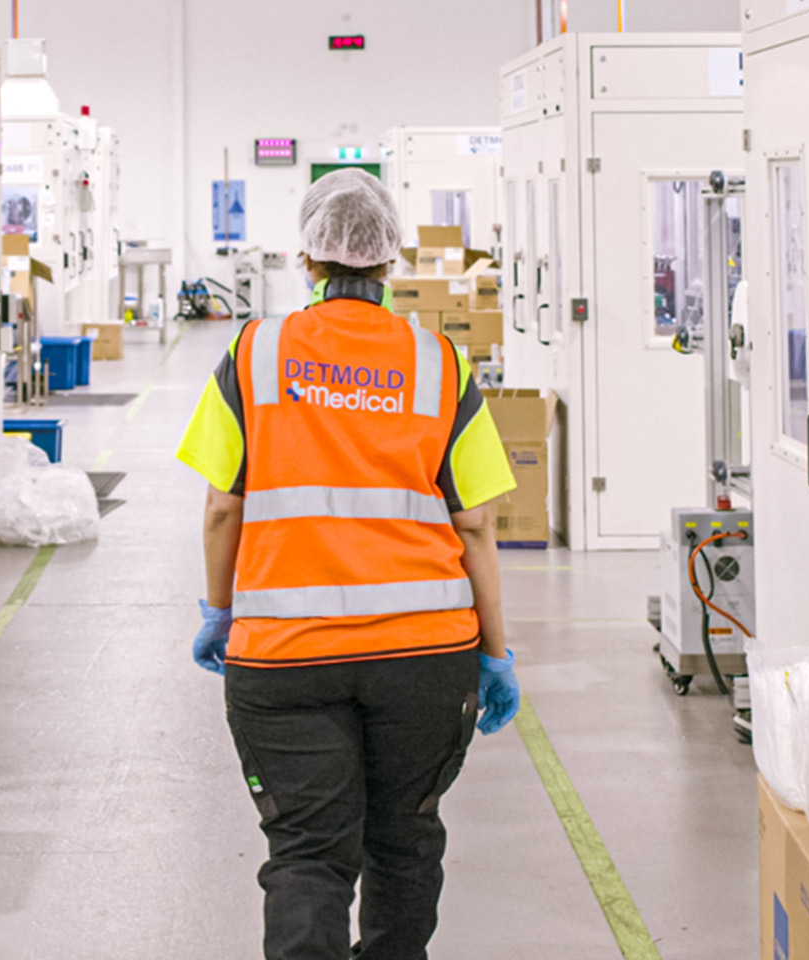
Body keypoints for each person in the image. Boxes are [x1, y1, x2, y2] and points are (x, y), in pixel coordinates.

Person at [176, 168, 520, 960]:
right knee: (405, 842)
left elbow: (221, 506)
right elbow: (474, 526)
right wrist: (495, 655)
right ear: (389, 260)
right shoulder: (441, 364)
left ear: (307, 258)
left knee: (306, 855)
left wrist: (219, 612)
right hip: (425, 659)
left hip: (285, 660)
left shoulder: (254, 353)